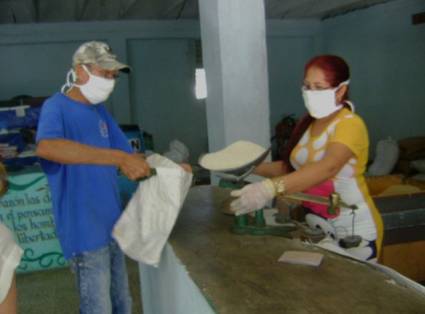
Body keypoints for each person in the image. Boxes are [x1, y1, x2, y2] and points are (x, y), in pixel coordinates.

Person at [35, 41, 152, 314]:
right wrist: (118, 158)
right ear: (80, 71)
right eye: (105, 73)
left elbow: (128, 156)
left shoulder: (100, 113)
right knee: (97, 308)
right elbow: (47, 147)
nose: (110, 81)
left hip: (112, 226)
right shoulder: (57, 107)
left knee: (123, 304)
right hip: (83, 233)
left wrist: (169, 167)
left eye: (114, 76)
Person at [231, 55, 383, 262]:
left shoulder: (350, 124)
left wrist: (270, 188)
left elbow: (328, 167)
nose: (311, 93)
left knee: (354, 288)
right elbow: (292, 169)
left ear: (341, 90)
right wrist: (247, 168)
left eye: (319, 87)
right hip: (318, 224)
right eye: (307, 87)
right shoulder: (309, 124)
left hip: (354, 227)